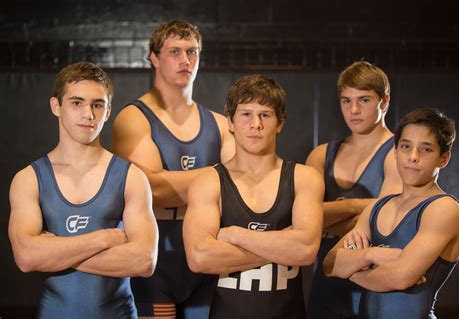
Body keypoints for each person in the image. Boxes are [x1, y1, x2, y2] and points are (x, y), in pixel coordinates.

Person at [8, 61, 158, 319]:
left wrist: (55, 251)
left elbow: (144, 261)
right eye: (77, 103)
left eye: (97, 105)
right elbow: (26, 257)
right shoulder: (29, 179)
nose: (88, 114)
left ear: (108, 110)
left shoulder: (131, 177)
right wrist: (104, 239)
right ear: (57, 106)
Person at [112, 19, 234, 318]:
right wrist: (217, 177)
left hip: (205, 259)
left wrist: (177, 182)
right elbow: (154, 190)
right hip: (157, 264)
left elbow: (240, 189)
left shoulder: (219, 123)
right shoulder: (133, 118)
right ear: (154, 58)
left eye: (192, 52)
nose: (185, 60)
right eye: (175, 52)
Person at [183, 74, 324, 319]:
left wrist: (236, 235)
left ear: (280, 123)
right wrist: (283, 243)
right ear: (230, 121)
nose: (255, 124)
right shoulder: (208, 182)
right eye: (246, 114)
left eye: (265, 115)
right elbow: (199, 257)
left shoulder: (304, 178)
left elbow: (305, 250)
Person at [323, 107, 459, 319]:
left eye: (425, 149)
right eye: (406, 147)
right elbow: (329, 264)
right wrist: (370, 254)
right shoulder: (376, 208)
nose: (413, 157)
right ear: (395, 151)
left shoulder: (443, 209)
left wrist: (352, 270)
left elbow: (400, 278)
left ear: (443, 158)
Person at [306, 61, 402, 318]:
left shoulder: (398, 153)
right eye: (346, 101)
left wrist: (323, 218)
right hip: (325, 286)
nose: (354, 110)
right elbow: (303, 220)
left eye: (364, 100)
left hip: (371, 289)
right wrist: (363, 206)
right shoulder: (321, 154)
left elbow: (385, 225)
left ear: (384, 101)